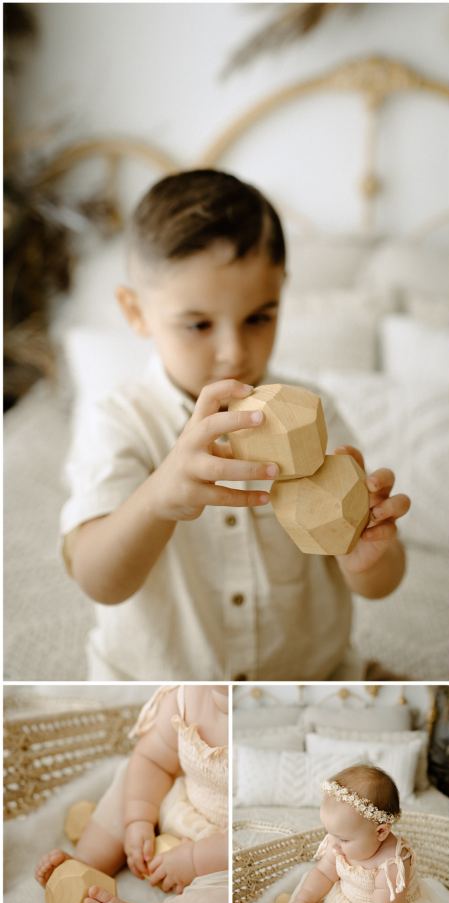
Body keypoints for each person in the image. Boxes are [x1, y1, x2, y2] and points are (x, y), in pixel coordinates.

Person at [61, 169, 410, 680]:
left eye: (259, 317)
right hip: (164, 687)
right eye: (199, 325)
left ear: (281, 294)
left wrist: (366, 558)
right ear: (135, 312)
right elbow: (98, 580)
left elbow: (382, 582)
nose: (234, 352)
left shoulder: (314, 414)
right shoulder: (118, 422)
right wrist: (158, 497)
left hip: (307, 680)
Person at [35, 685, 228, 903]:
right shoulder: (185, 697)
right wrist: (138, 821)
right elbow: (153, 760)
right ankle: (85, 865)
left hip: (225, 851)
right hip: (180, 806)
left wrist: (194, 859)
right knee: (132, 779)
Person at [254, 764, 448, 903]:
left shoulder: (394, 861)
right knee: (310, 898)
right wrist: (303, 899)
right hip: (344, 900)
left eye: (344, 839)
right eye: (330, 833)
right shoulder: (338, 842)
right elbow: (323, 873)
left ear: (381, 831)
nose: (334, 844)